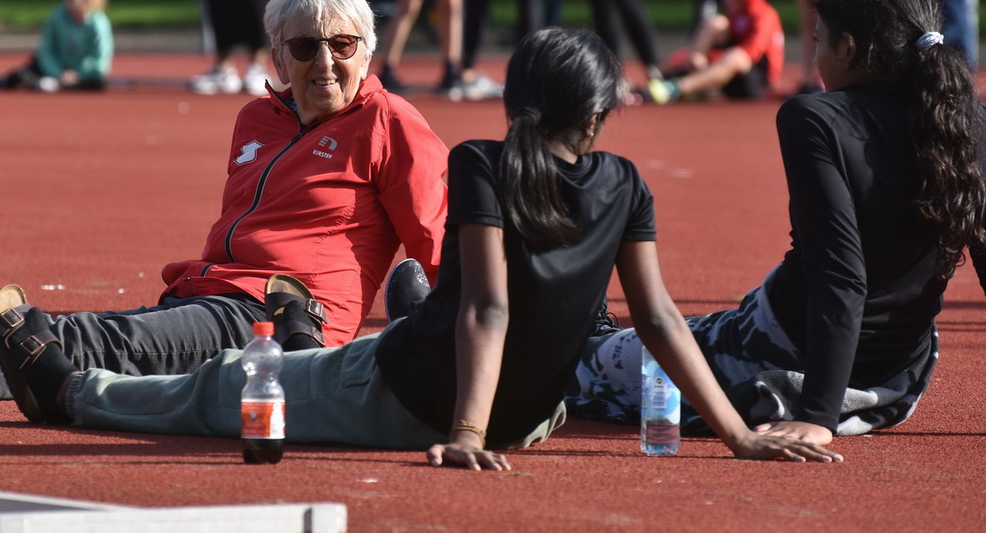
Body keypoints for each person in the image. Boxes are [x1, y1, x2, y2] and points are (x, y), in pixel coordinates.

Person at [0, 27, 842, 469]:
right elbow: (657, 319)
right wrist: (740, 436)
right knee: (381, 327)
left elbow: (487, 306)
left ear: (513, 103)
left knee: (226, 385)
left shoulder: (482, 161)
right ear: (597, 117)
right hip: (532, 417)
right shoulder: (625, 181)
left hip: (414, 395)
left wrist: (466, 431)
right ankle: (315, 331)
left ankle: (68, 388)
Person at [569, 0, 986, 448]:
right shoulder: (975, 123)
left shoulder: (816, 118)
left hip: (781, 354)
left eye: (817, 40)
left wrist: (818, 415)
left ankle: (588, 344)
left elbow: (839, 275)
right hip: (897, 377)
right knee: (668, 339)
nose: (814, 56)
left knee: (576, 364)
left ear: (848, 47)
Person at [0, 0, 448, 399]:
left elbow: (439, 244)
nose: (325, 61)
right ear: (279, 58)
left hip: (287, 319)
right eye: (306, 46)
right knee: (101, 341)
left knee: (81, 341)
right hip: (208, 294)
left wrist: (464, 349)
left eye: (343, 44)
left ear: (366, 54)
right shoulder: (256, 119)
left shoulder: (388, 121)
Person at [652, 0, 784, 102]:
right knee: (717, 23)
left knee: (737, 56)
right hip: (728, 70)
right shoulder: (736, 14)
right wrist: (691, 58)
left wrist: (714, 59)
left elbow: (752, 52)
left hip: (757, 81)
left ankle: (677, 88)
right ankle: (690, 69)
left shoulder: (765, 15)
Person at [2, 0, 113, 92]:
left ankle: (49, 84)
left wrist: (77, 74)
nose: (71, 1)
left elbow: (100, 58)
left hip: (81, 73)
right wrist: (58, 73)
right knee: (18, 76)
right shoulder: (58, 15)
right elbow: (46, 50)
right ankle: (49, 82)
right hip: (56, 66)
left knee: (98, 83)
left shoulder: (98, 23)